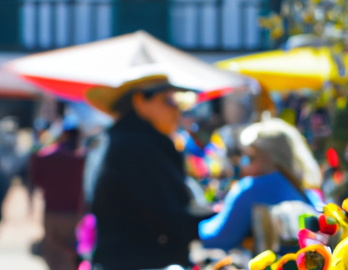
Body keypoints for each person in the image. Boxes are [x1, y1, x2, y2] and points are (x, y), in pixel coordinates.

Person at [85, 74, 210, 270]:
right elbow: (169, 216)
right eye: (168, 100)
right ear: (140, 101)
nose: (176, 109)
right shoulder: (134, 147)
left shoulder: (118, 140)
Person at [199, 117, 323, 252]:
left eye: (250, 158)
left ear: (269, 157)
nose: (243, 164)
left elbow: (217, 238)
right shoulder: (307, 192)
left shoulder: (251, 188)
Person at [29, 116, 86, 270]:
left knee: (55, 256)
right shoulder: (83, 159)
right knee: (75, 255)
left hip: (54, 213)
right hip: (77, 213)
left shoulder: (46, 158)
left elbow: (36, 179)